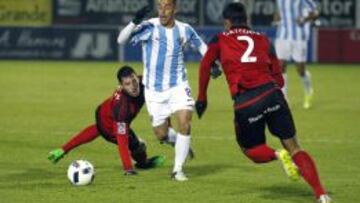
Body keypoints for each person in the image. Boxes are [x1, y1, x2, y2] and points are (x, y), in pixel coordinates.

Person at [195, 3, 330, 203]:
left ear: (227, 22)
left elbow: (206, 64)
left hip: (246, 102)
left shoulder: (220, 39)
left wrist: (202, 98)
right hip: (272, 94)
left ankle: (278, 154)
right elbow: (280, 79)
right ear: (246, 20)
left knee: (250, 149)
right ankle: (322, 195)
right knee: (296, 148)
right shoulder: (263, 39)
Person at [117, 0, 220, 181]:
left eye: (167, 7)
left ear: (175, 8)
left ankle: (177, 170)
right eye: (160, 7)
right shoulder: (149, 27)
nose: (163, 11)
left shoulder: (185, 29)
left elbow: (203, 47)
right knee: (161, 134)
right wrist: (134, 21)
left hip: (178, 85)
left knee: (185, 122)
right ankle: (179, 142)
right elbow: (121, 39)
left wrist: (212, 63)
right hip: (154, 91)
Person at [48, 66, 165, 175]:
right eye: (127, 84)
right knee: (136, 145)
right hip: (110, 122)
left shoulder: (145, 82)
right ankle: (143, 163)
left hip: (105, 112)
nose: (133, 86)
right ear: (121, 86)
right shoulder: (123, 109)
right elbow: (122, 141)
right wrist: (128, 169)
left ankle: (63, 150)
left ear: (136, 77)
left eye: (134, 80)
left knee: (98, 129)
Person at [273, 0, 319, 109]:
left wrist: (304, 19)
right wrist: (277, 16)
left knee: (300, 70)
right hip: (282, 35)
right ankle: (284, 99)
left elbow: (316, 13)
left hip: (299, 37)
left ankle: (309, 91)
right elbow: (279, 10)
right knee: (280, 67)